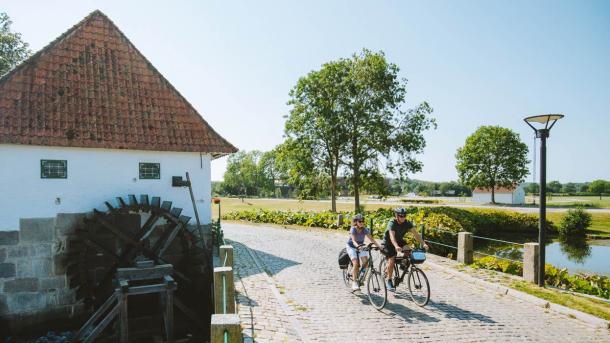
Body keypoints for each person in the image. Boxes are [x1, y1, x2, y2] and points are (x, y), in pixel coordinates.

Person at [382, 208, 429, 291]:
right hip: (388, 243)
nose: (403, 217)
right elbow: (392, 237)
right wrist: (396, 246)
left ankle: (402, 265)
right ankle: (389, 281)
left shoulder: (407, 223)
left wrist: (423, 243)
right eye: (400, 216)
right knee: (392, 259)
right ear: (396, 216)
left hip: (399, 241)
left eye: (404, 216)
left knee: (408, 250)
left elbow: (416, 234)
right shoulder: (392, 223)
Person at [346, 213, 382, 291]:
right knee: (356, 263)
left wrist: (379, 246)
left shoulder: (364, 229)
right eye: (360, 221)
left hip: (361, 246)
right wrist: (358, 246)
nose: (362, 223)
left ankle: (360, 275)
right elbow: (353, 240)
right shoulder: (353, 229)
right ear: (356, 222)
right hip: (352, 246)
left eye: (363, 221)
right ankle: (354, 282)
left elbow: (371, 239)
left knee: (366, 263)